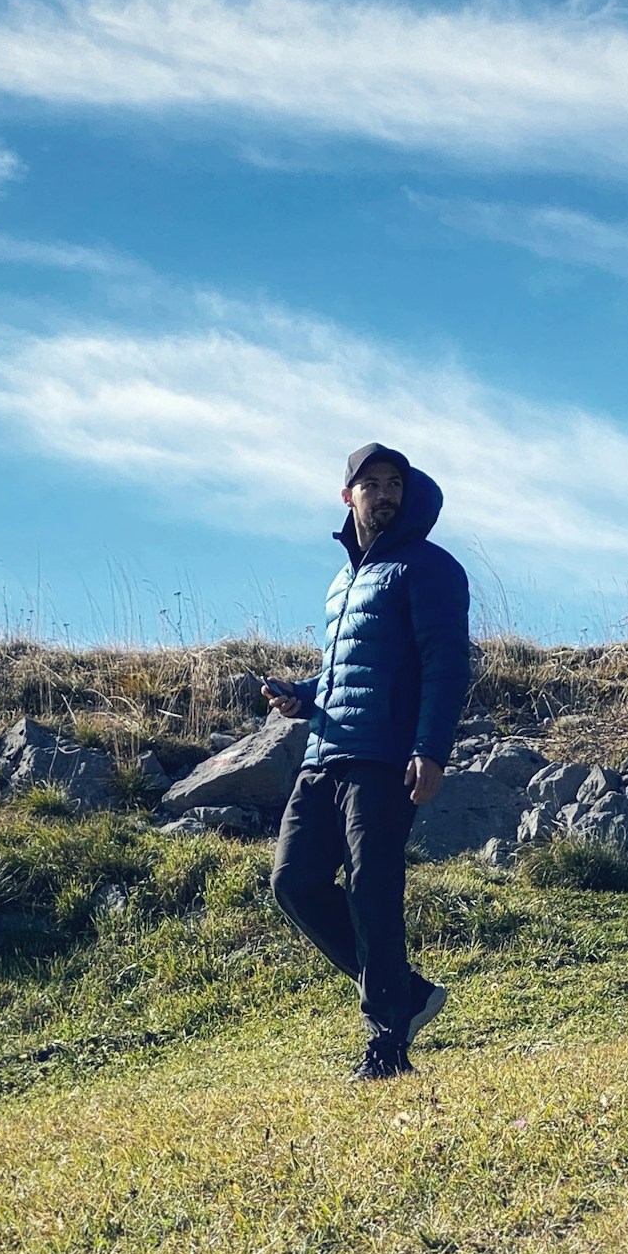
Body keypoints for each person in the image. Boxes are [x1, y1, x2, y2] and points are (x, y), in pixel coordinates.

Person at [263, 443, 471, 1079]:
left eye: (394, 484)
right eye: (371, 483)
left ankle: (387, 1047)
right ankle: (406, 993)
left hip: (384, 757)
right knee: (292, 882)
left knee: (371, 893)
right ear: (347, 496)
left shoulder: (429, 567)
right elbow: (345, 671)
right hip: (323, 754)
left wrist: (429, 749)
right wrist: (301, 697)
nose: (385, 494)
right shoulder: (343, 582)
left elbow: (445, 666)